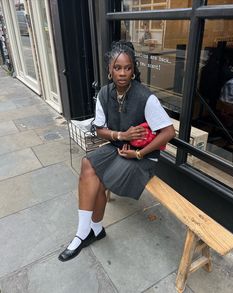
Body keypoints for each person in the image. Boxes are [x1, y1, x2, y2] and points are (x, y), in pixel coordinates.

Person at [58, 40, 175, 262]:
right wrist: (121, 136)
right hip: (118, 147)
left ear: (133, 71)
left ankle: (93, 231)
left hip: (142, 157)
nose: (122, 73)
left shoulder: (145, 97)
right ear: (109, 70)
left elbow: (169, 132)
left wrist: (139, 153)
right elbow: (100, 129)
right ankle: (87, 231)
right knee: (87, 164)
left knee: (100, 181)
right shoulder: (104, 93)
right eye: (117, 68)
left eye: (127, 68)